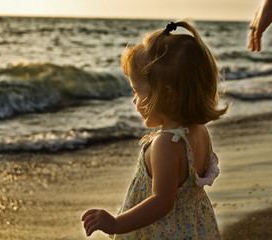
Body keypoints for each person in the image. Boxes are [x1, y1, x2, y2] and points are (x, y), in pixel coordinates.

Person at [81, 21, 228, 239]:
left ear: (166, 95)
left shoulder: (167, 144)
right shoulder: (199, 131)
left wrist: (116, 223)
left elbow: (162, 202)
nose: (134, 100)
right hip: (194, 228)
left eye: (138, 91)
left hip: (163, 232)